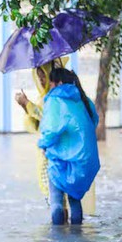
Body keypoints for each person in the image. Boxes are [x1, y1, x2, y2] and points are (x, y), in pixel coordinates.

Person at [38, 68, 99, 225]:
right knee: (74, 200)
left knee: (56, 201)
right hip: (84, 161)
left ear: (58, 83)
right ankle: (77, 236)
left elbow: (51, 130)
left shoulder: (55, 100)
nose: (50, 87)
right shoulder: (83, 99)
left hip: (61, 161)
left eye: (51, 83)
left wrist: (42, 145)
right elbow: (94, 122)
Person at [14, 58, 68, 200]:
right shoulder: (43, 97)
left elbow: (49, 120)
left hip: (57, 153)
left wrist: (28, 104)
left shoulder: (59, 97)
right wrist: (25, 106)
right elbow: (36, 126)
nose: (42, 79)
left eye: (44, 75)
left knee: (58, 198)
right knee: (53, 197)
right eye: (39, 76)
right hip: (47, 152)